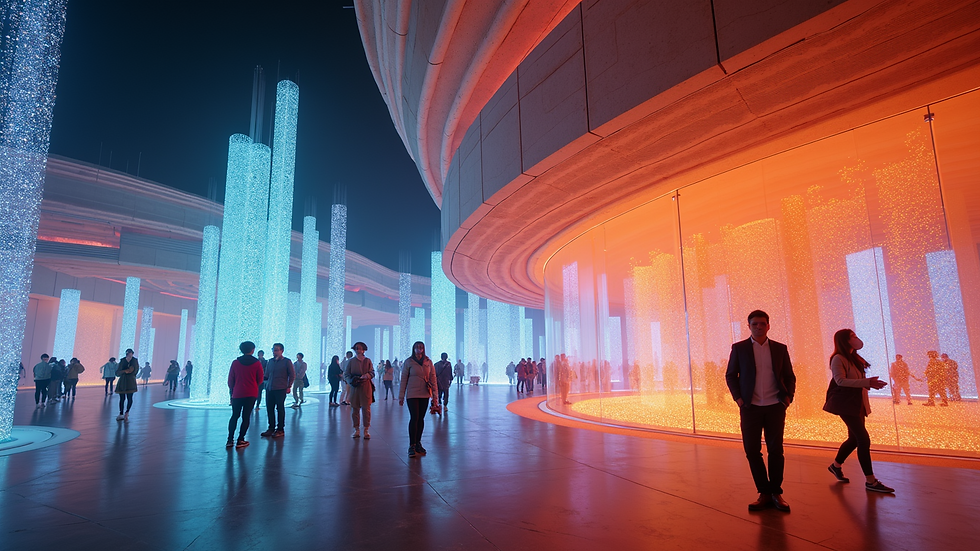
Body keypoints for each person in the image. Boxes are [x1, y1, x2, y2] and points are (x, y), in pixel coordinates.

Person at [725, 310, 796, 513]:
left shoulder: (780, 349)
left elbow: (789, 375)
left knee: (776, 450)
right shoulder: (739, 348)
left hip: (775, 406)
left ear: (768, 325)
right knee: (752, 451)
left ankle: (776, 492)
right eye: (754, 324)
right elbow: (731, 375)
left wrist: (788, 397)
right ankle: (763, 492)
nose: (758, 327)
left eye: (762, 324)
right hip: (750, 408)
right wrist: (739, 399)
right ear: (749, 326)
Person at [823, 329, 894, 493]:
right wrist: (866, 382)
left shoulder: (854, 358)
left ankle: (835, 466)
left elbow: (854, 380)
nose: (856, 338)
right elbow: (840, 380)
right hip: (846, 404)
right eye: (852, 336)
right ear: (844, 340)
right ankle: (870, 481)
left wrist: (869, 383)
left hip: (856, 403)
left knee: (854, 439)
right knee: (863, 439)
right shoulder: (837, 358)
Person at [399, 341, 437, 458]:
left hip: (425, 394)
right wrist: (401, 396)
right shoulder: (409, 362)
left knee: (421, 418)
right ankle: (412, 445)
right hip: (412, 394)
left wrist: (435, 396)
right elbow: (404, 379)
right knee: (414, 417)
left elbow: (433, 378)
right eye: (417, 347)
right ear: (413, 349)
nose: (419, 349)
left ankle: (418, 443)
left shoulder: (428, 362)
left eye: (421, 347)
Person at [226, 341, 264, 449]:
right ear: (253, 350)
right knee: (246, 417)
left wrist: (232, 391)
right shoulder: (257, 363)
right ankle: (240, 440)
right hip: (251, 393)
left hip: (237, 393)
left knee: (234, 416)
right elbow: (260, 379)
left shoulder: (235, 363)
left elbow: (230, 381)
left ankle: (229, 439)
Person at [261, 343, 294, 438]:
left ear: (281, 351)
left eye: (276, 350)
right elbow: (266, 375)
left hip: (281, 388)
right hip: (270, 388)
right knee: (269, 408)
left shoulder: (287, 362)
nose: (274, 352)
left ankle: (280, 429)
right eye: (273, 350)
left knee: (280, 408)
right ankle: (271, 428)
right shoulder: (270, 362)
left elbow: (292, 375)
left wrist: (289, 386)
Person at [345, 342, 375, 438]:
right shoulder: (351, 361)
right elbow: (346, 374)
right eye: (357, 348)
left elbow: (372, 372)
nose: (358, 350)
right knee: (355, 408)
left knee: (366, 409)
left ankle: (366, 429)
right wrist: (351, 380)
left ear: (364, 350)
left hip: (366, 387)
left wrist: (366, 376)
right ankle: (356, 429)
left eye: (360, 349)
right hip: (355, 387)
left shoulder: (368, 361)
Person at [115, 349, 139, 421]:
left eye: (130, 353)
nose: (129, 354)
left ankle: (127, 412)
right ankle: (121, 413)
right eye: (128, 353)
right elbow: (117, 372)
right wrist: (125, 371)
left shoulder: (134, 360)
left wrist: (129, 371)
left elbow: (135, 370)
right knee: (122, 398)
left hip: (130, 381)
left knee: (129, 397)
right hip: (123, 381)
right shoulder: (122, 360)